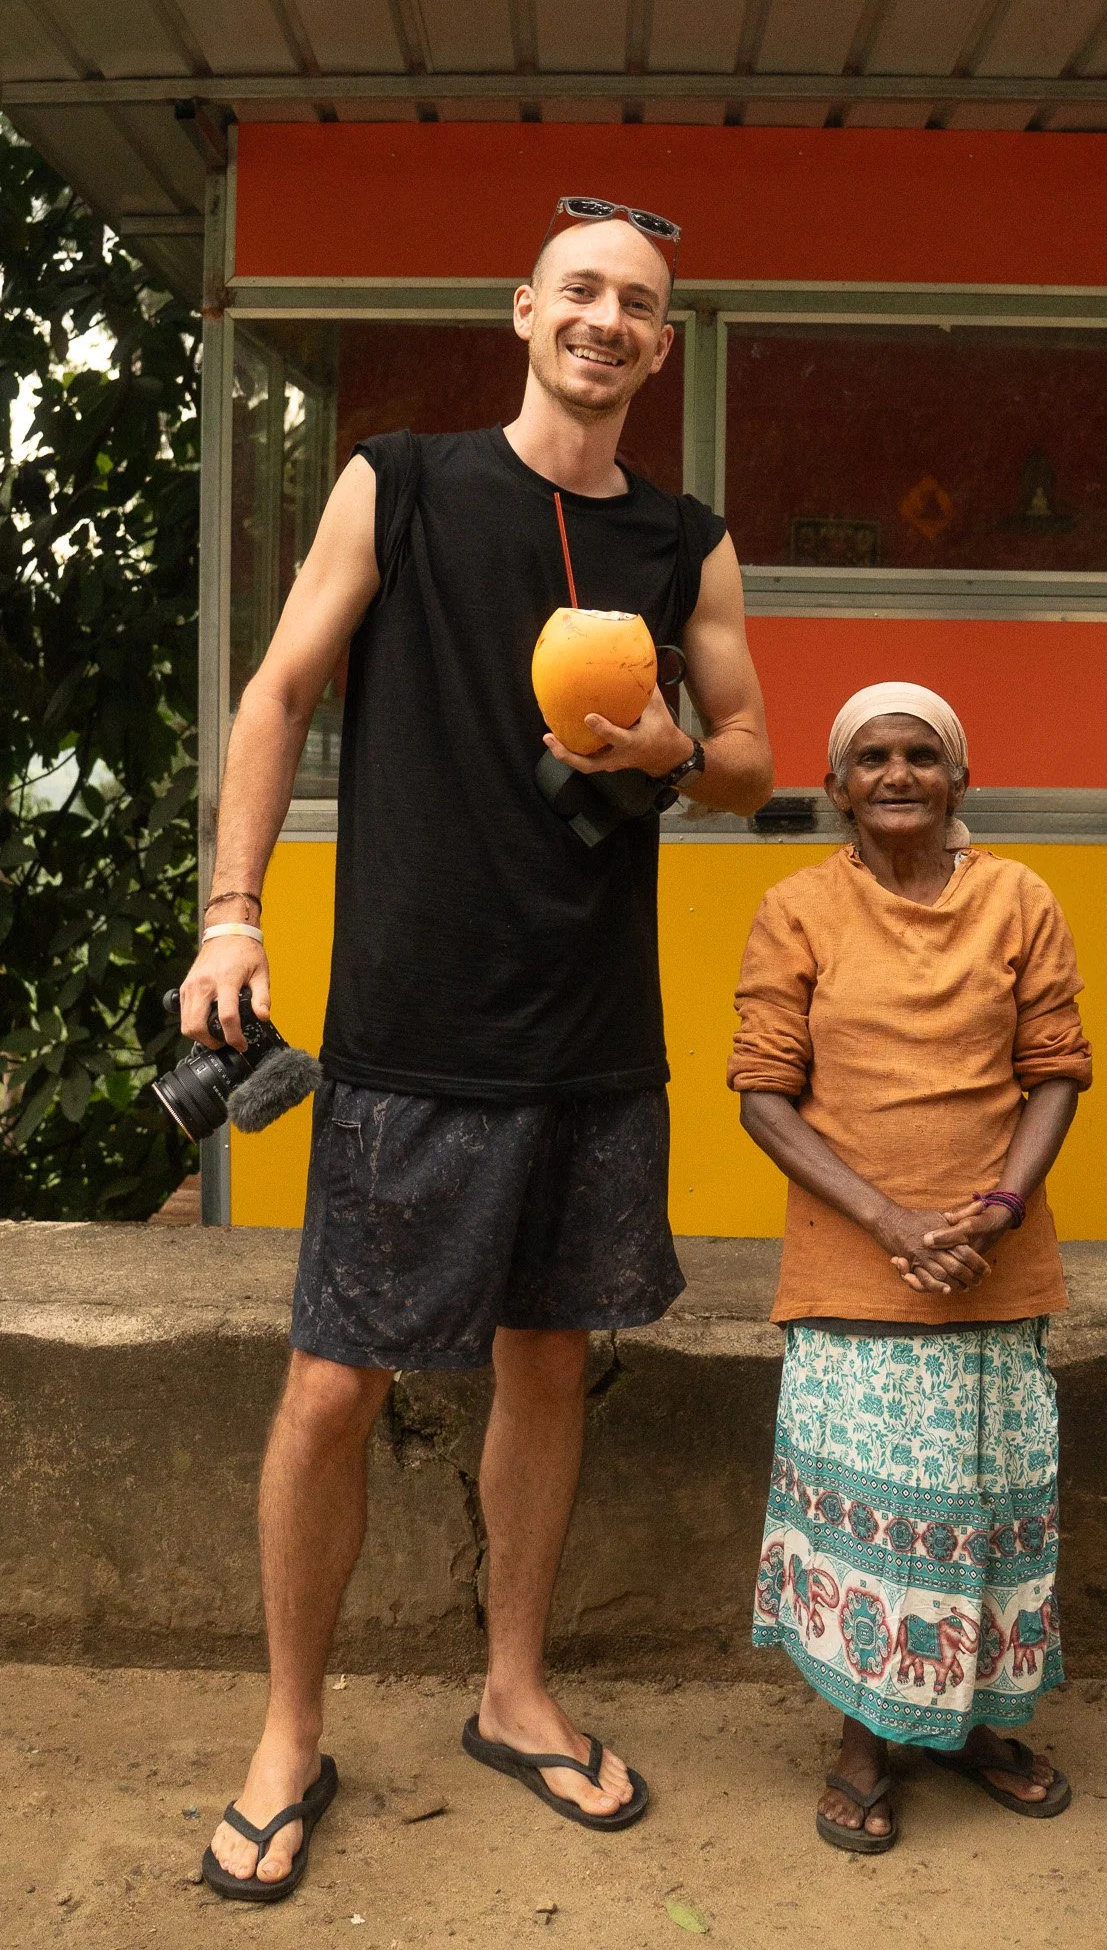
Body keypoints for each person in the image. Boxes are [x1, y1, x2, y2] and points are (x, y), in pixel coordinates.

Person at [182, 196, 772, 1901]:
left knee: (542, 1365)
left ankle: (513, 1690)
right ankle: (291, 1726)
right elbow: (280, 692)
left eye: (639, 304)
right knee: (332, 1382)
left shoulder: (686, 540)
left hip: (591, 1031)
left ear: (662, 346)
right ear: (524, 312)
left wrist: (675, 745)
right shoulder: (408, 481)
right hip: (413, 1027)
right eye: (579, 290)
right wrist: (235, 908)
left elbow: (749, 756)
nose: (606, 320)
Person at [728, 681, 1091, 1853]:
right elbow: (763, 1093)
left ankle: (974, 1726)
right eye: (871, 756)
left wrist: (993, 1206)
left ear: (959, 780)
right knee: (872, 1526)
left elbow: (1056, 1067)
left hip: (994, 1258)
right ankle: (863, 1740)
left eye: (920, 755)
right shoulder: (795, 909)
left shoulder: (1019, 899)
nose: (896, 773)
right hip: (855, 1269)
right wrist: (889, 1219)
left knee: (982, 1515)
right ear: (836, 787)